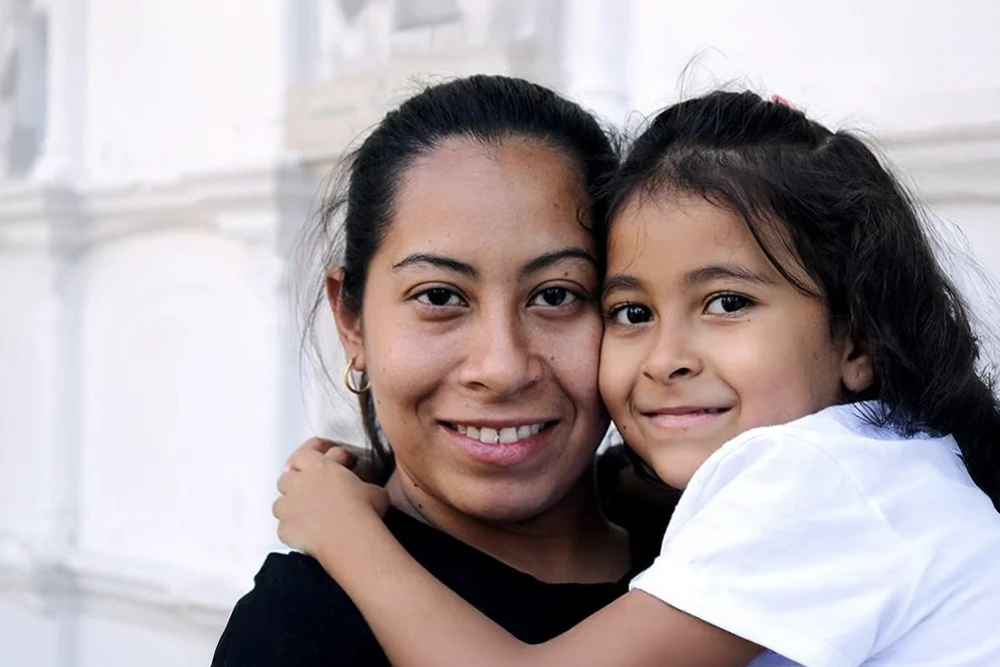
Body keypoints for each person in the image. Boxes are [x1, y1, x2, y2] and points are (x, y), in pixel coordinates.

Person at [273, 90, 1000, 667]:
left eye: (727, 302)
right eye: (631, 310)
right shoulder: (302, 630)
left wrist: (345, 530)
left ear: (858, 336)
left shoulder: (809, 479)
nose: (665, 358)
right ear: (353, 318)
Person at [212, 74, 672, 667]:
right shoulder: (302, 631)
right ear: (351, 320)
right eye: (439, 296)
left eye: (556, 295)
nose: (502, 369)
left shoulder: (716, 551)